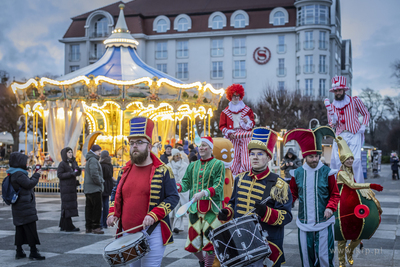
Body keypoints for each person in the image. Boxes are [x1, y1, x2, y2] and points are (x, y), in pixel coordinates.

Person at [107, 116, 179, 267]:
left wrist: (154, 214)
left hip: (153, 232)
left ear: (149, 146)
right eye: (132, 142)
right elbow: (115, 193)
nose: (134, 146)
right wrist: (113, 212)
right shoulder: (124, 171)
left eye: (140, 142)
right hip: (128, 232)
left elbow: (173, 197)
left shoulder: (163, 170)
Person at [218, 128, 292, 267]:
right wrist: (226, 212)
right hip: (242, 243)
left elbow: (286, 216)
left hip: (266, 245)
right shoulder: (240, 178)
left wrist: (266, 213)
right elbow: (233, 204)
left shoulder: (279, 184)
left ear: (269, 157)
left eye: (260, 154)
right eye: (252, 154)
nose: (255, 157)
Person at [285, 126, 340, 267]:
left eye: (317, 156)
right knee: (306, 258)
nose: (315, 159)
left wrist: (330, 207)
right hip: (304, 223)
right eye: (311, 156)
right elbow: (292, 194)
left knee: (325, 257)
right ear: (305, 156)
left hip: (324, 223)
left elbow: (335, 194)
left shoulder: (328, 172)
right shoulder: (297, 173)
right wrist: (286, 203)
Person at [334, 136, 383, 267]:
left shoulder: (351, 171)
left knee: (358, 234)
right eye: (347, 159)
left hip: (354, 206)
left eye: (351, 158)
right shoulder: (341, 174)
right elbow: (352, 185)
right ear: (343, 160)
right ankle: (341, 262)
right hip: (342, 207)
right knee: (342, 237)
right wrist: (370, 185)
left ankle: (349, 251)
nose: (350, 161)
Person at [176, 136, 225, 267]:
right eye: (200, 145)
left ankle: (207, 265)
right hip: (194, 210)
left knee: (210, 243)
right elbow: (186, 182)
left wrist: (205, 192)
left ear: (210, 148)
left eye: (204, 145)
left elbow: (219, 185)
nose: (201, 148)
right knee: (192, 244)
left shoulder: (218, 164)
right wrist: (178, 187)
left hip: (211, 211)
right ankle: (202, 262)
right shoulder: (192, 165)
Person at [325, 76, 370, 183]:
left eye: (340, 90)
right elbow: (331, 124)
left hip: (354, 133)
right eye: (336, 91)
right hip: (340, 135)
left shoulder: (355, 101)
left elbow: (366, 114)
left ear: (344, 90)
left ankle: (358, 188)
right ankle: (337, 187)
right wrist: (334, 120)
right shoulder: (331, 107)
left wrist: (363, 125)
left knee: (355, 161)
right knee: (336, 161)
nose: (338, 93)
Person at [7, 152, 45, 260]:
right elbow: (29, 184)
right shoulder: (18, 174)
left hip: (19, 206)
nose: (26, 163)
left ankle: (19, 251)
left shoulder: (13, 172)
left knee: (20, 228)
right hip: (24, 206)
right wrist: (37, 174)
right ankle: (33, 251)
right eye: (25, 161)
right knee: (30, 228)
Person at [219, 84, 255, 175]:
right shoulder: (225, 112)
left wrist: (248, 121)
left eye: (238, 95)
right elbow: (222, 126)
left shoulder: (247, 110)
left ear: (240, 96)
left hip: (245, 135)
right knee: (233, 158)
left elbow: (252, 123)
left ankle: (246, 175)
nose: (236, 97)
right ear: (230, 96)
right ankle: (233, 177)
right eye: (234, 95)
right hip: (232, 135)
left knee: (246, 157)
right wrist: (227, 132)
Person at [57, 147, 81, 232]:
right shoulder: (62, 164)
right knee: (66, 206)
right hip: (66, 188)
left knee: (67, 206)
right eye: (68, 152)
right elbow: (60, 175)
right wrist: (71, 174)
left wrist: (77, 171)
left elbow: (77, 170)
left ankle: (63, 225)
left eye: (71, 152)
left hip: (71, 187)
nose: (70, 154)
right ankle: (68, 226)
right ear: (65, 154)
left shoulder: (73, 162)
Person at [84, 144, 104, 234]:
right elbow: (94, 174)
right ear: (94, 151)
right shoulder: (93, 160)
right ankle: (95, 227)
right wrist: (100, 182)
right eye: (98, 151)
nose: (100, 152)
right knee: (96, 208)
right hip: (94, 188)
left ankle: (89, 227)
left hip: (89, 188)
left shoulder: (91, 159)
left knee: (89, 208)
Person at [168, 148, 189, 234]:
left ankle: (178, 226)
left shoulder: (184, 165)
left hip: (181, 189)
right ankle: (172, 226)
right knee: (172, 209)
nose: (178, 157)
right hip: (171, 188)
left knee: (178, 207)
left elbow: (186, 177)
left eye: (179, 155)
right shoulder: (168, 166)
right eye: (176, 155)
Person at [100, 150, 114, 229]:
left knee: (102, 205)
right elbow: (110, 175)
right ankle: (105, 223)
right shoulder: (110, 164)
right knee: (106, 204)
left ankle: (101, 222)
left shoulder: (101, 165)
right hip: (108, 185)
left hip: (103, 185)